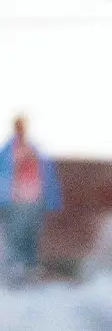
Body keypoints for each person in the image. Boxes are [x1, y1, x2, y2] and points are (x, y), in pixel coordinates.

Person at [0, 116, 61, 283]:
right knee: (14, 237)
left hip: (33, 201)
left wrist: (51, 200)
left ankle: (29, 270)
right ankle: (14, 272)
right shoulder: (7, 151)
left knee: (30, 237)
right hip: (14, 202)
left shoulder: (33, 149)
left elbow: (47, 177)